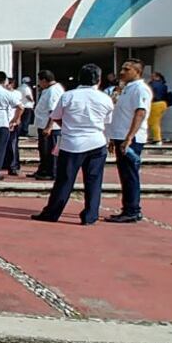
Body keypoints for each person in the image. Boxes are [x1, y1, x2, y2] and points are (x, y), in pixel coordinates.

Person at [33, 64, 112, 226]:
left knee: (64, 180)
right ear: (98, 79)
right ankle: (90, 216)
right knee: (94, 181)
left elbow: (56, 116)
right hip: (97, 141)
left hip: (72, 143)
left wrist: (68, 127)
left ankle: (52, 213)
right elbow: (107, 121)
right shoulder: (105, 98)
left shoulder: (68, 96)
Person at [106, 59, 151, 224]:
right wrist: (113, 137)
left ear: (137, 72)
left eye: (127, 69)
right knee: (125, 175)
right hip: (120, 135)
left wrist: (129, 137)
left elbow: (140, 113)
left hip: (130, 139)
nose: (122, 72)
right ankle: (128, 208)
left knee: (130, 174)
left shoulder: (140, 89)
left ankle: (132, 210)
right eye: (122, 68)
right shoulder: (124, 89)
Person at [31, 71, 64, 181]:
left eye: (40, 81)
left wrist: (48, 127)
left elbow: (53, 110)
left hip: (51, 127)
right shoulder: (48, 90)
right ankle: (43, 169)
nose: (39, 84)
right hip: (43, 124)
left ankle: (51, 172)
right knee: (43, 150)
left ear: (44, 80)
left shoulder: (53, 91)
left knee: (50, 151)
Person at [2, 78, 24, 175]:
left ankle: (13, 165)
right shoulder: (3, 93)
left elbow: (20, 108)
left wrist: (16, 120)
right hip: (4, 121)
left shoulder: (16, 94)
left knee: (12, 144)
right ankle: (5, 163)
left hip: (12, 121)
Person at [148, 71, 172, 145]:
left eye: (153, 76)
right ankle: (155, 138)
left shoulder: (152, 84)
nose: (151, 77)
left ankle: (157, 139)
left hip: (155, 103)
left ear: (158, 77)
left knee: (153, 122)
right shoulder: (164, 85)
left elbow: (150, 94)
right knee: (156, 121)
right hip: (163, 104)